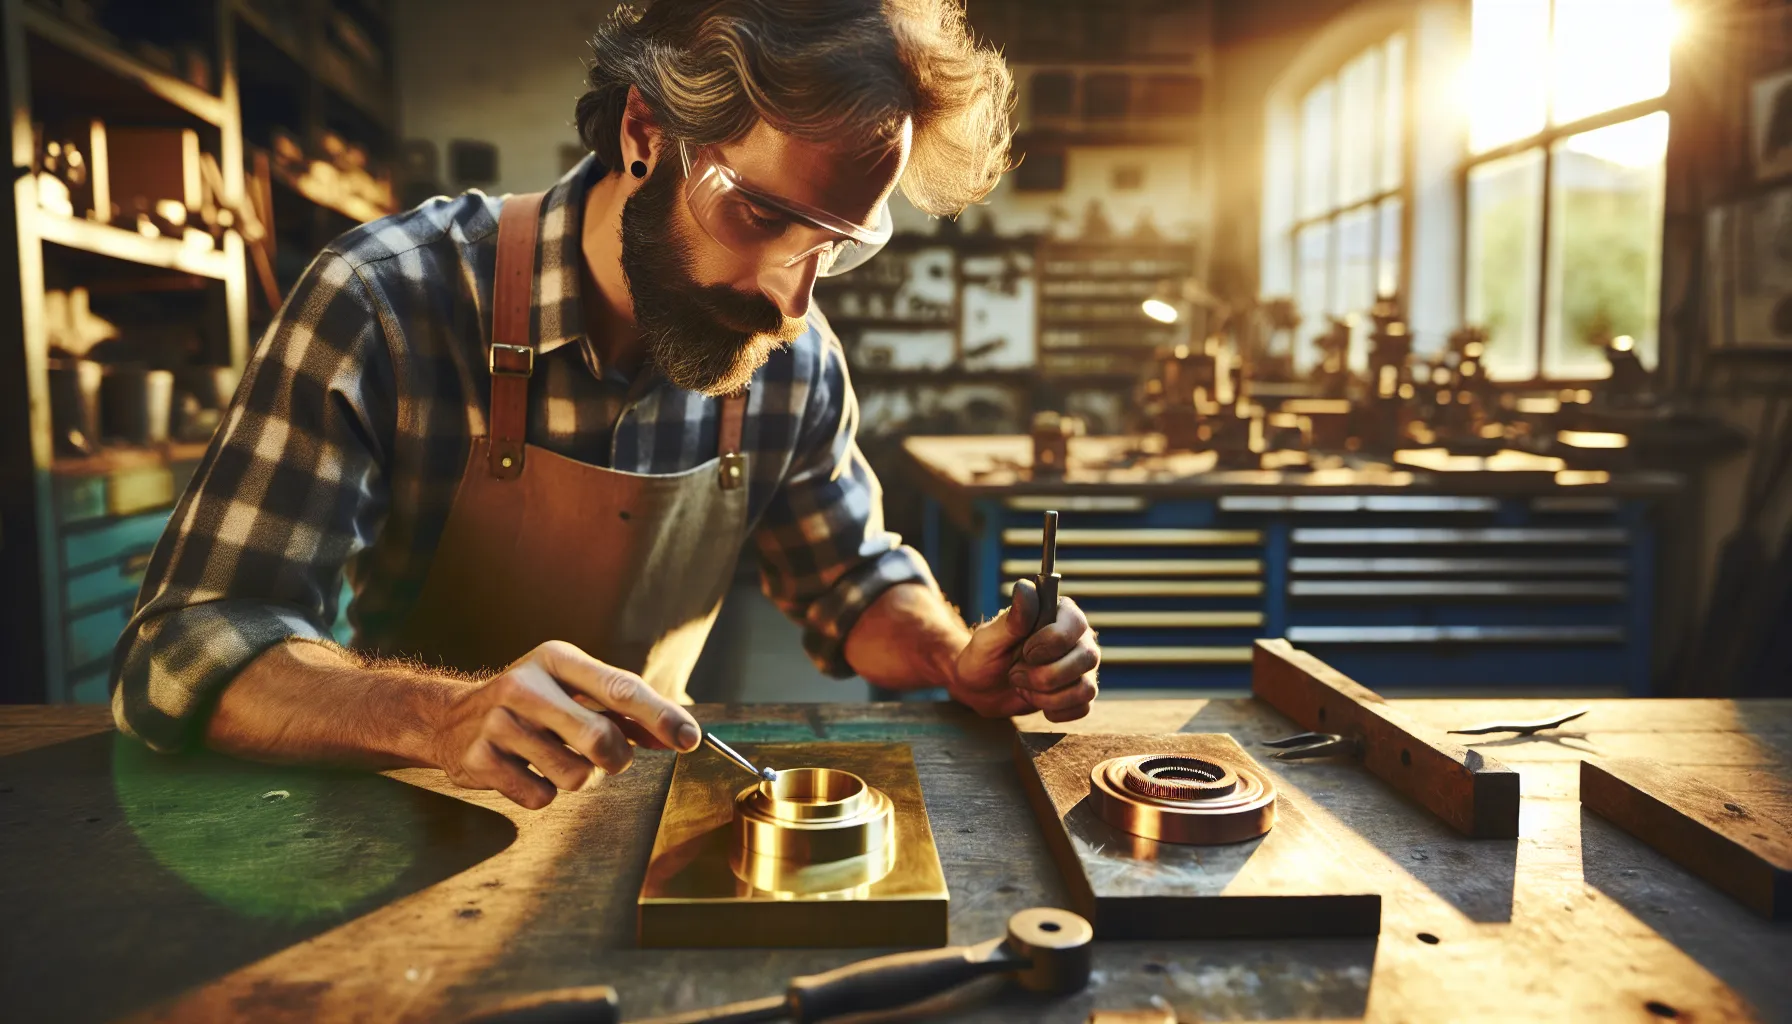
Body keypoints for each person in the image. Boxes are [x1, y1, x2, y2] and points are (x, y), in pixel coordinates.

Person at [112, 0, 1100, 810]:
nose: (789, 298)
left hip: (649, 819)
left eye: (836, 246)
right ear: (644, 132)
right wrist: (438, 717)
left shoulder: (786, 355)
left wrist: (953, 651)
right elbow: (181, 648)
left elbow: (846, 577)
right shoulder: (385, 301)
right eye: (759, 216)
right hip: (394, 817)